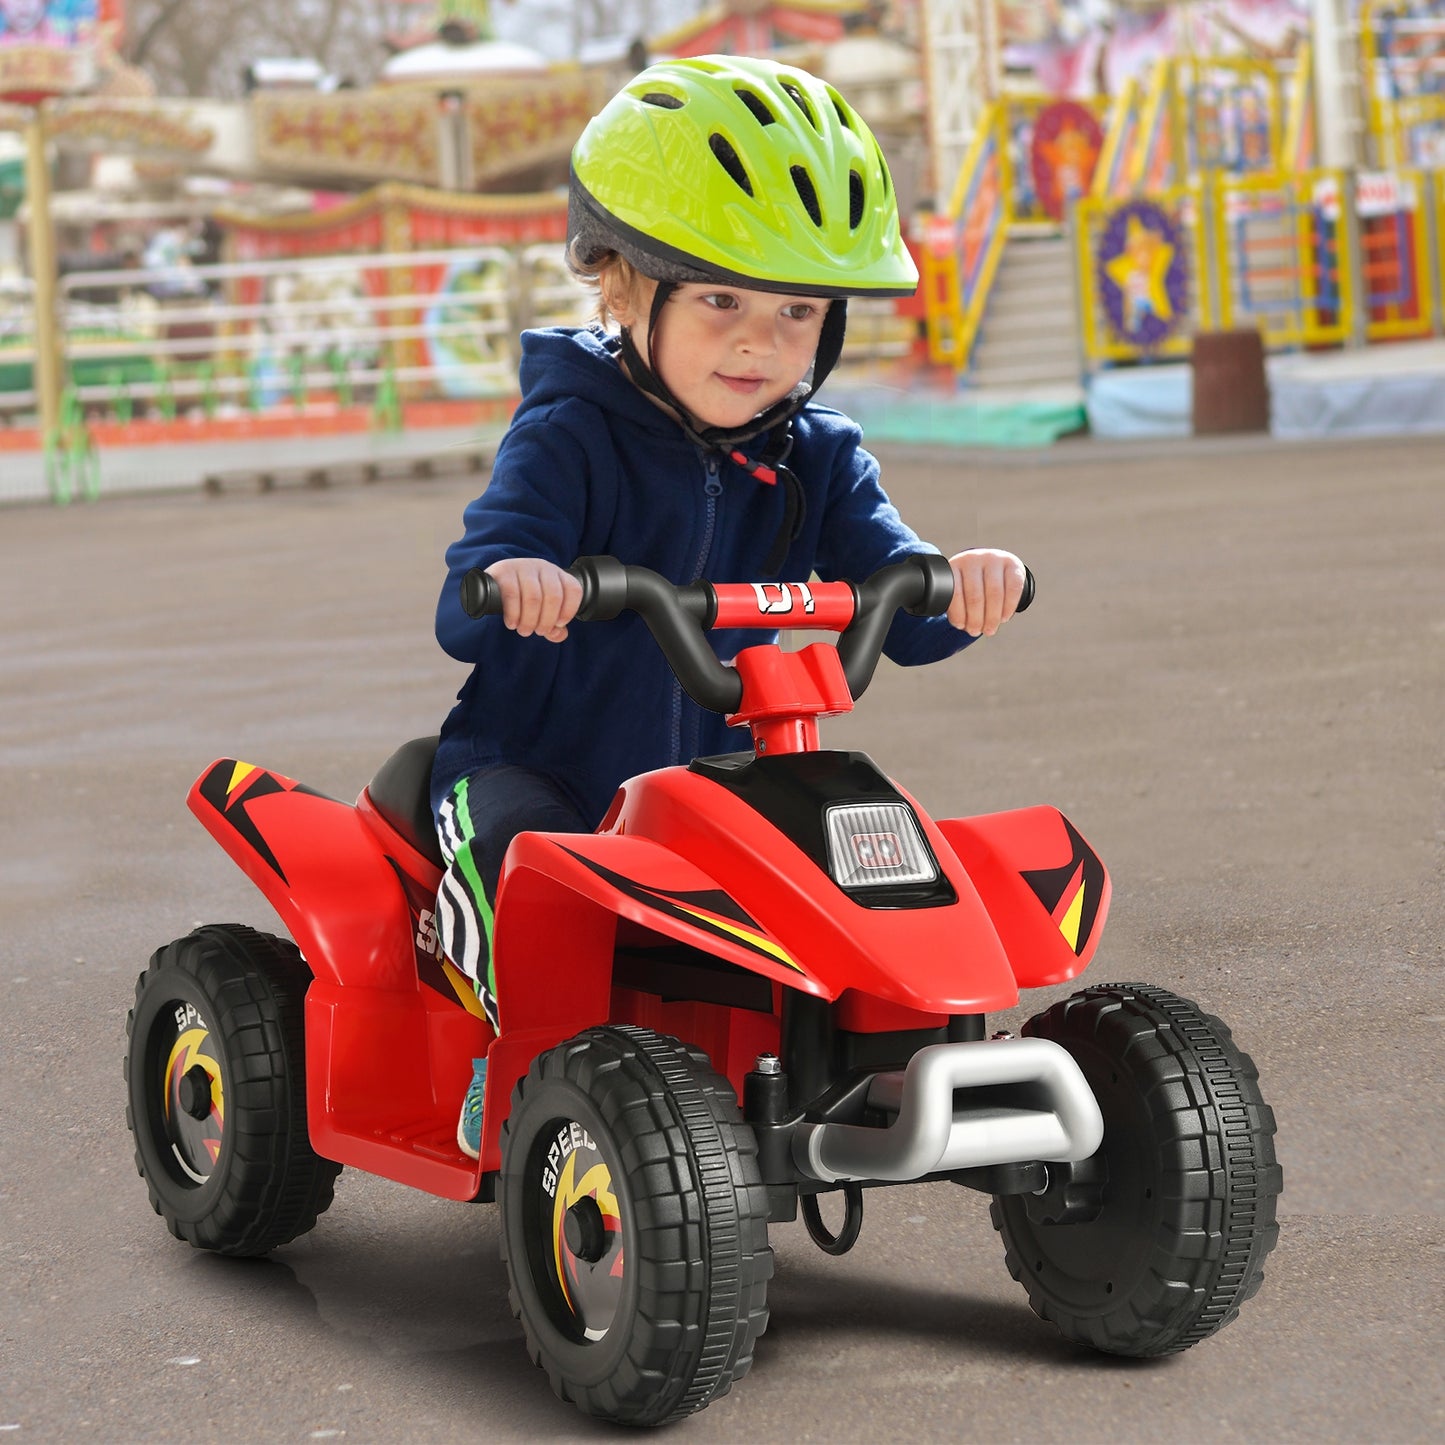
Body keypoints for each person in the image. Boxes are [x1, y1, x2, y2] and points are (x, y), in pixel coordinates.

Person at [431, 54, 1029, 1159]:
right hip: (539, 760)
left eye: (796, 309)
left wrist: (960, 581)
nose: (759, 341)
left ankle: (892, 1064)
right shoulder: (568, 435)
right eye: (720, 300)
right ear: (618, 280)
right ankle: (507, 1065)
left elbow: (901, 592)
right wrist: (524, 582)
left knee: (871, 862)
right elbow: (470, 594)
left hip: (716, 781)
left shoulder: (817, 456)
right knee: (528, 867)